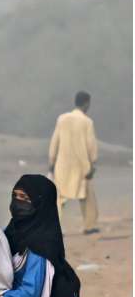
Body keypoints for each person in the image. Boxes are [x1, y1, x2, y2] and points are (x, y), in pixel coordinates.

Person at [49, 91, 99, 235]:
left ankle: (54, 228)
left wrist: (51, 161)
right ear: (86, 103)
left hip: (62, 165)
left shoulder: (62, 119)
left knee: (59, 198)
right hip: (82, 166)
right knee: (87, 196)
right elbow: (91, 146)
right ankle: (89, 226)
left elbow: (55, 142)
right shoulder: (87, 122)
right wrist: (93, 163)